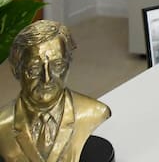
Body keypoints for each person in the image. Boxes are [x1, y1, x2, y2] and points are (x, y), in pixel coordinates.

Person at [0, 21, 110, 162]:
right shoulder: (3, 125)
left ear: (68, 63)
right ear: (16, 70)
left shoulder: (93, 111)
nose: (46, 78)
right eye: (34, 69)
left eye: (57, 65)